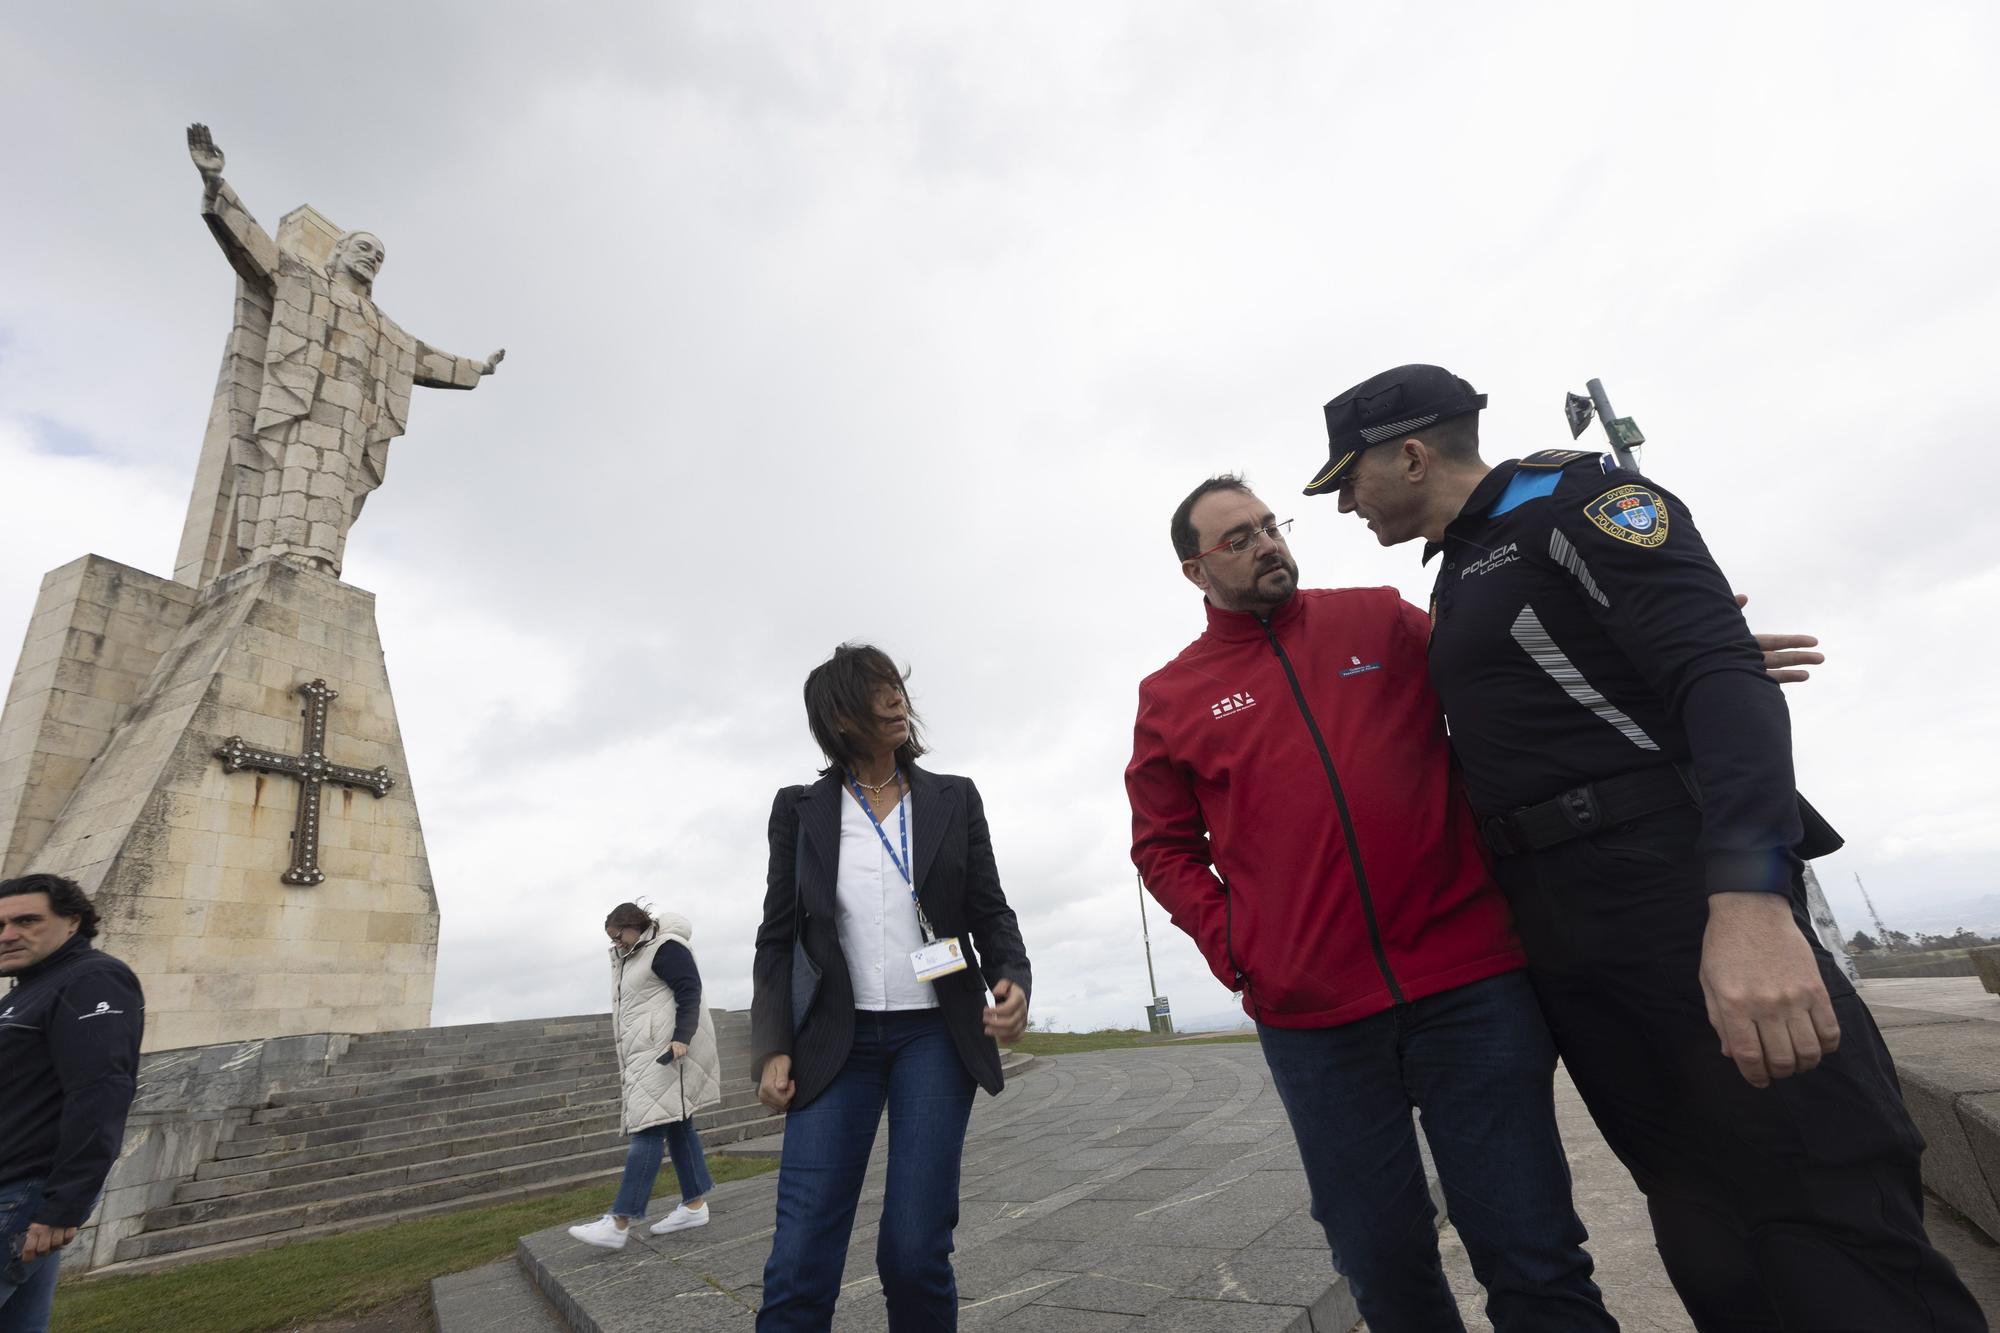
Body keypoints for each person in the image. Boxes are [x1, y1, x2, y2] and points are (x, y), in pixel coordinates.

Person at [1309, 362, 1983, 1331]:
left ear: (1409, 454)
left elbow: (1711, 671)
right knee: (1699, 1211)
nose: (1342, 505)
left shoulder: (1576, 500)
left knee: (1817, 1197)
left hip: (1671, 895)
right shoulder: (1461, 567)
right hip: (1567, 927)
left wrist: (1748, 901)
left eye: (1346, 480)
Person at [1127, 480, 1615, 1332]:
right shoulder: (1172, 695)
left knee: (1535, 1255)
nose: (1268, 544)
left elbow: (1511, 671)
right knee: (1383, 1269)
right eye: (1238, 539)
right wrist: (1237, 943)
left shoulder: (1380, 619)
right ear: (1194, 570)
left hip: (1471, 984)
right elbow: (1162, 847)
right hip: (1315, 1022)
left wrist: (1647, 656)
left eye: (1270, 526)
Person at [751, 644, 1031, 1332]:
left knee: (913, 1251)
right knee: (799, 1259)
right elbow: (777, 936)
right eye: (874, 691)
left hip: (933, 1037)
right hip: (833, 1043)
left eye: (895, 686)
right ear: (839, 715)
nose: (895, 699)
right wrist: (772, 1046)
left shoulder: (953, 797)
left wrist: (1012, 977)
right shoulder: (800, 809)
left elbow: (990, 907)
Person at [0, 874, 144, 1333]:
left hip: (22, 1192)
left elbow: (100, 1091)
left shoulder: (92, 979)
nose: (7, 935)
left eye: (26, 921)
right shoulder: (30, 988)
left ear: (72, 923)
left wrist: (63, 1205)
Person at [566, 903, 724, 1250]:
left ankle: (620, 1220)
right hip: (647, 1055)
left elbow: (689, 990)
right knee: (679, 1126)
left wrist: (681, 1037)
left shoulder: (665, 947)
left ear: (634, 925)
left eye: (618, 936)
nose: (616, 943)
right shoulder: (633, 956)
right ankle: (695, 1204)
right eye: (612, 939)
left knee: (647, 1130)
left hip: (667, 1054)